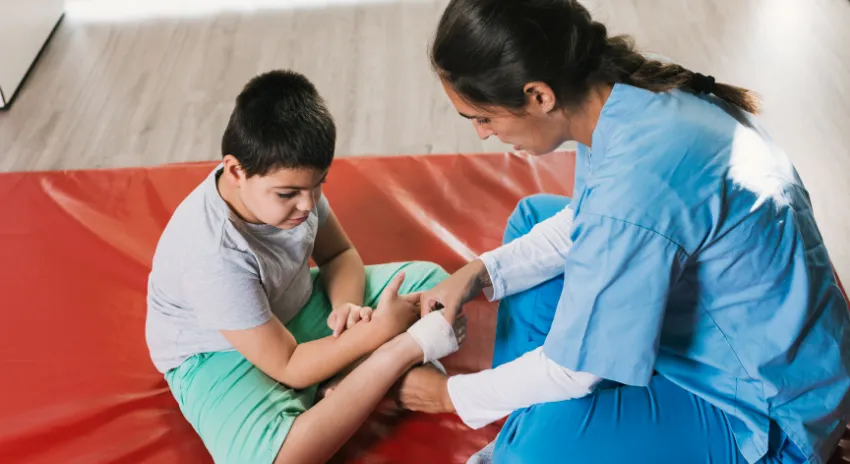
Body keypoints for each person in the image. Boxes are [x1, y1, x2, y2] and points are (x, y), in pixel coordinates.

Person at [399, 0, 850, 463]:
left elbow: (578, 368)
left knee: (532, 453)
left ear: (539, 96)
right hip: (743, 345)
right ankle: (532, 420)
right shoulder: (628, 94)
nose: (482, 133)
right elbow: (590, 220)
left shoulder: (641, 179)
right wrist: (478, 271)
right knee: (532, 218)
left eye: (484, 118)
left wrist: (448, 396)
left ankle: (528, 434)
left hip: (764, 416)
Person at [145, 70, 464, 464]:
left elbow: (338, 255)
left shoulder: (293, 188)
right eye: (289, 194)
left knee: (436, 287)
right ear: (235, 171)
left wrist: (349, 311)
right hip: (221, 352)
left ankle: (345, 377)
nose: (308, 204)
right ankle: (383, 364)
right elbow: (288, 365)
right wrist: (378, 333)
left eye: (319, 185)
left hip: (291, 305)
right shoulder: (211, 254)